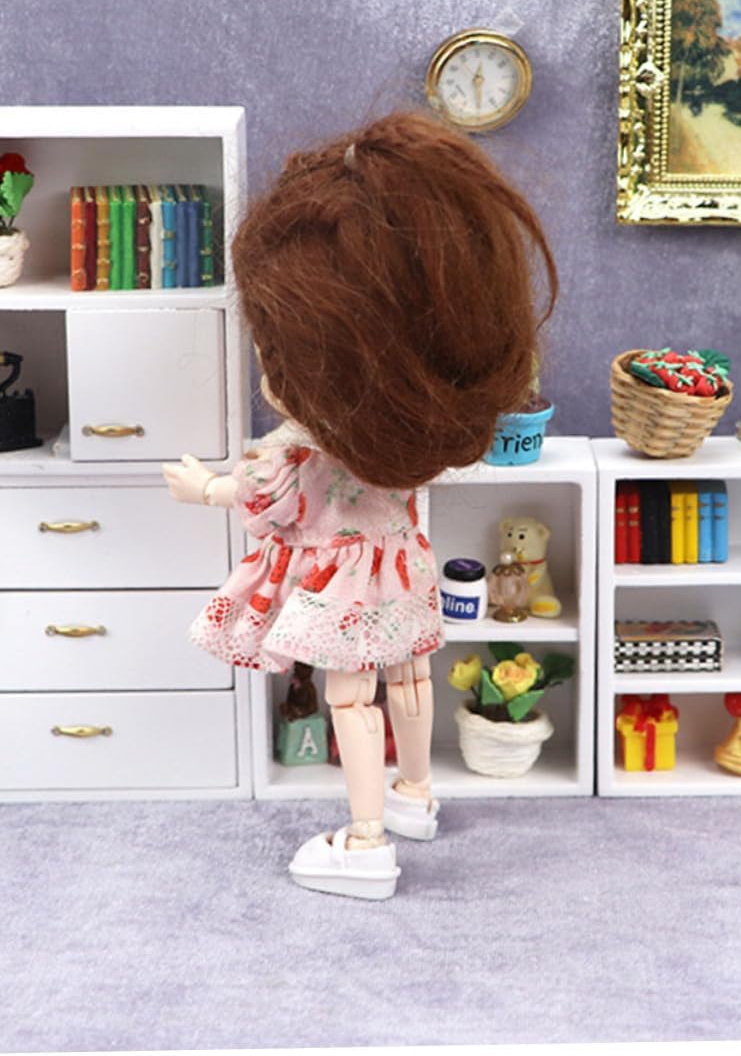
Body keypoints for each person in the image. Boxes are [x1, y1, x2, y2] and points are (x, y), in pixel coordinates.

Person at [163, 110, 557, 899]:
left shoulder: (299, 449)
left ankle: (367, 842)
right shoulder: (411, 433)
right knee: (410, 680)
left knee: (353, 696)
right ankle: (416, 793)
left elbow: (263, 497)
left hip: (346, 587)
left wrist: (205, 487)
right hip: (405, 568)